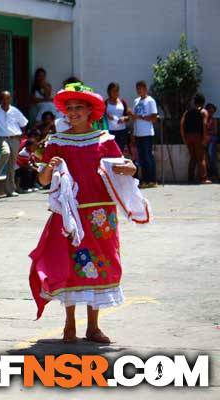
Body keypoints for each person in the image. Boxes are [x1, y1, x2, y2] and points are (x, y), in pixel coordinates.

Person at [29, 83, 141, 344]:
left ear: (91, 111)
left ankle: (93, 327)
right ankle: (69, 325)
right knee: (69, 266)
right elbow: (44, 179)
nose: (74, 112)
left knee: (98, 266)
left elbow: (124, 167)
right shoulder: (57, 142)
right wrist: (50, 167)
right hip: (70, 214)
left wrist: (130, 168)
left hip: (100, 215)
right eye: (69, 108)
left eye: (79, 107)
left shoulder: (105, 140)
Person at [180, 93, 211, 184]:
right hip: (198, 136)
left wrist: (184, 138)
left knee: (193, 157)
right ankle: (204, 178)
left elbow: (182, 124)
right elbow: (204, 124)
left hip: (188, 136)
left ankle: (191, 178)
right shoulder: (204, 111)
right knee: (201, 157)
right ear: (203, 102)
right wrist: (205, 138)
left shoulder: (187, 111)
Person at [133, 81, 158, 188]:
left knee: (148, 157)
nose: (139, 91)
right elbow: (134, 117)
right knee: (141, 158)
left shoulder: (150, 101)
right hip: (138, 133)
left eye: (141, 89)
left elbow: (154, 118)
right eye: (137, 89)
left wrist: (140, 117)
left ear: (145, 89)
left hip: (147, 133)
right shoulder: (136, 101)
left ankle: (152, 179)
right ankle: (144, 180)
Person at [105, 82, 132, 152]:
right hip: (110, 132)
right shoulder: (105, 103)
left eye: (117, 90)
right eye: (113, 91)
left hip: (122, 132)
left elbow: (128, 116)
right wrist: (106, 116)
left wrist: (124, 118)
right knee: (111, 152)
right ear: (109, 92)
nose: (115, 92)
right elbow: (101, 116)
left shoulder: (122, 102)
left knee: (120, 152)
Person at [205, 103, 218, 180]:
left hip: (212, 138)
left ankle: (213, 172)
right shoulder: (204, 119)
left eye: (212, 112)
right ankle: (209, 173)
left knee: (210, 152)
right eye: (209, 111)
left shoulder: (214, 120)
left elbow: (215, 132)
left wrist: (208, 134)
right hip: (206, 138)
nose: (211, 113)